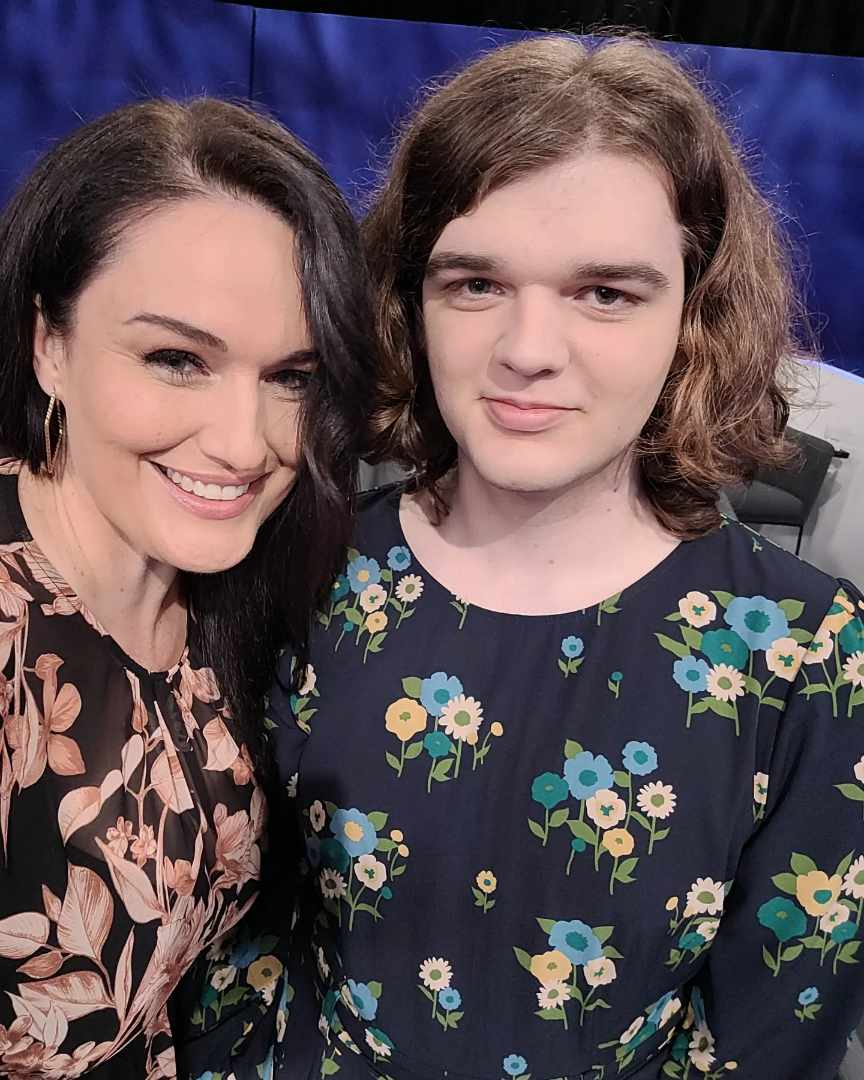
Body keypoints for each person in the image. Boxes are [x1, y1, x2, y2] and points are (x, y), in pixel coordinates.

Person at [205, 34, 864, 1080]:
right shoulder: (298, 576)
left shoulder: (810, 655)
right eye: (474, 283)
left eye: (606, 293)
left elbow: (779, 1034)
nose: (527, 349)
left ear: (694, 313)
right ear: (409, 299)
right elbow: (233, 952)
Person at [0, 96, 373, 1078]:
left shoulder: (235, 584)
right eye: (176, 359)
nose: (246, 443)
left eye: (293, 377)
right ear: (49, 344)